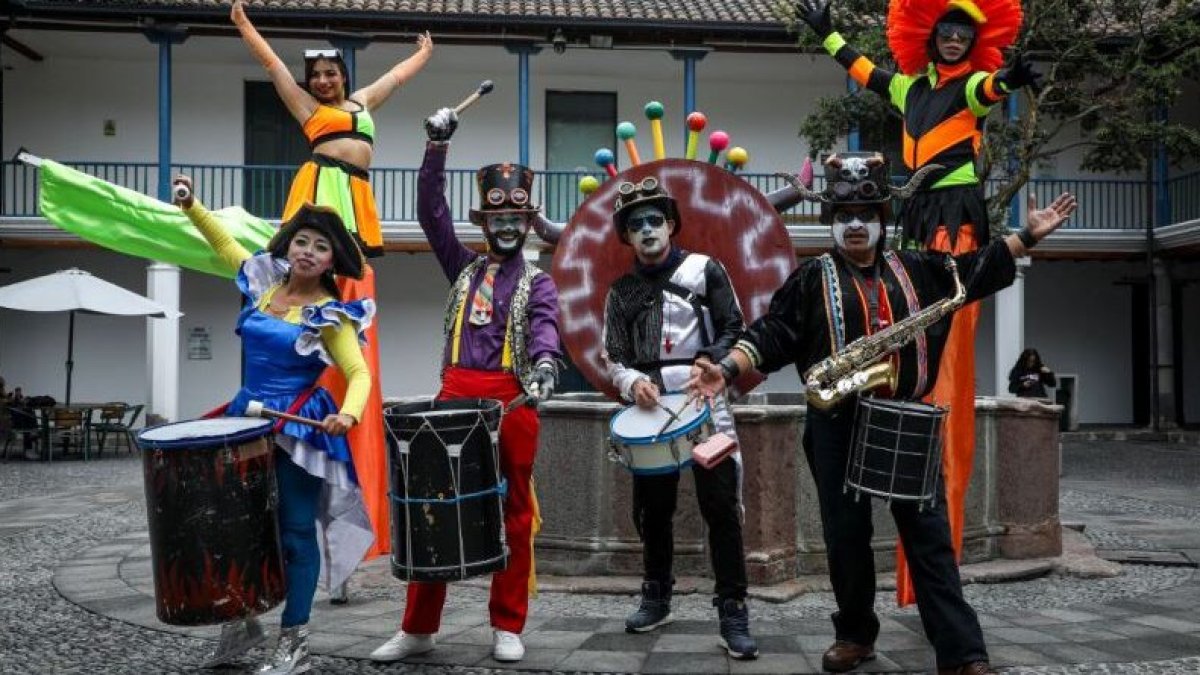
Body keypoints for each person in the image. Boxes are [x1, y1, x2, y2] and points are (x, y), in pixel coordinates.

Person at [688, 154, 1077, 675]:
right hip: (835, 421)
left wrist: (1025, 237)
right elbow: (774, 333)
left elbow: (974, 271)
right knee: (844, 536)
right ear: (832, 221)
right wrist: (727, 366)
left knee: (930, 537)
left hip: (904, 416)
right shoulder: (809, 279)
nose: (853, 224)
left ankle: (962, 654)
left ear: (881, 220)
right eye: (844, 213)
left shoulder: (920, 269)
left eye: (865, 213)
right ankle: (854, 635)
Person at [793, 0, 1036, 604]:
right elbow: (864, 70)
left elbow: (993, 87)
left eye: (964, 33)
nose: (954, 40)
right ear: (929, 36)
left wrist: (1011, 78)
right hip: (914, 220)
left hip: (955, 220)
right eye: (946, 32)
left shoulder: (972, 86)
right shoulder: (909, 87)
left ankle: (931, 565)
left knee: (945, 353)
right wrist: (828, 37)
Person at [231, 0, 434, 579]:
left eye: (330, 73)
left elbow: (392, 78)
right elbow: (272, 67)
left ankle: (348, 405)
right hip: (322, 193)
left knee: (349, 305)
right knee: (318, 282)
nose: (323, 81)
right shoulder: (304, 106)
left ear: (343, 76)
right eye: (315, 75)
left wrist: (420, 55)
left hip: (358, 197)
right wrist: (247, 27)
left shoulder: (362, 102)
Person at [369, 107, 560, 664]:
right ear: (484, 222)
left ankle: (508, 624)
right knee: (434, 506)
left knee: (516, 514)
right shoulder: (463, 267)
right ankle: (419, 628)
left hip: (514, 400)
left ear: (526, 224)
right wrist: (436, 147)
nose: (506, 226)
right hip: (453, 399)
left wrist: (546, 365)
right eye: (498, 218)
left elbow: (546, 327)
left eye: (516, 218)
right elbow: (432, 213)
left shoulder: (539, 281)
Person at [175, 176, 375, 675]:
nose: (308, 251)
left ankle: (296, 642)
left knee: (293, 534)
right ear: (288, 247)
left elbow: (358, 373)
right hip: (247, 419)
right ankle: (243, 621)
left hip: (297, 429)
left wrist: (347, 413)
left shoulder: (330, 314)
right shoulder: (263, 284)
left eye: (321, 246)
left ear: (331, 262)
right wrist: (192, 205)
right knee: (234, 525)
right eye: (302, 241)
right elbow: (223, 243)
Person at [598, 178, 758, 659]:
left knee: (721, 507)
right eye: (635, 224)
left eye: (653, 220)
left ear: (669, 225)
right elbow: (614, 355)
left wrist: (711, 361)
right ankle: (657, 594)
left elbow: (735, 327)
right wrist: (631, 384)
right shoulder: (620, 291)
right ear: (626, 236)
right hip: (649, 410)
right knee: (652, 510)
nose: (646, 230)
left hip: (704, 403)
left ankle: (733, 609)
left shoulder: (705, 269)